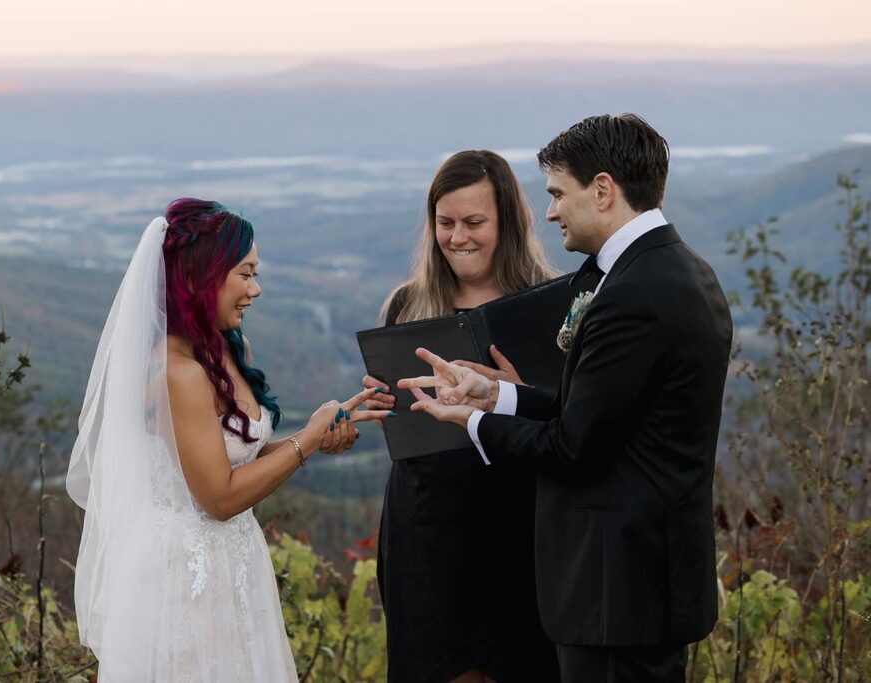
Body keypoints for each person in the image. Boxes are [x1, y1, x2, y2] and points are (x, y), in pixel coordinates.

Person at [399, 115, 733, 683]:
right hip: (636, 586)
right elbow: (597, 415)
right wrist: (498, 395)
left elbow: (574, 447)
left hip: (618, 591)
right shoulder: (674, 271)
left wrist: (471, 422)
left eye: (557, 193)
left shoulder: (634, 294)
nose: (550, 211)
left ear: (602, 190)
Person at [66, 198, 388, 681]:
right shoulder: (179, 374)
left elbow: (239, 455)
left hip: (234, 562)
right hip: (185, 579)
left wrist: (318, 433)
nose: (255, 289)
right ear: (202, 276)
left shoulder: (224, 350)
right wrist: (306, 442)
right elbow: (219, 497)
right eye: (245, 273)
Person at [363, 150, 561, 682]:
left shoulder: (548, 305)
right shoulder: (408, 303)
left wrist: (520, 392)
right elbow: (403, 412)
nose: (458, 237)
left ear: (508, 225)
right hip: (426, 525)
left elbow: (572, 422)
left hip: (515, 525)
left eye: (474, 223)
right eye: (445, 223)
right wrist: (386, 407)